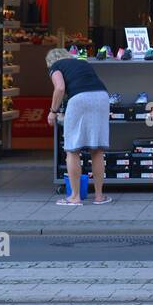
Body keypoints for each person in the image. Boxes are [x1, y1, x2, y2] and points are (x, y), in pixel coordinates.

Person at [46, 46, 112, 205]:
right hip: (102, 97)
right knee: (97, 149)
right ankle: (99, 196)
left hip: (80, 99)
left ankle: (74, 197)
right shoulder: (82, 63)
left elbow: (60, 88)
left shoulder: (56, 66)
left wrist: (53, 111)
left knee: (72, 149)